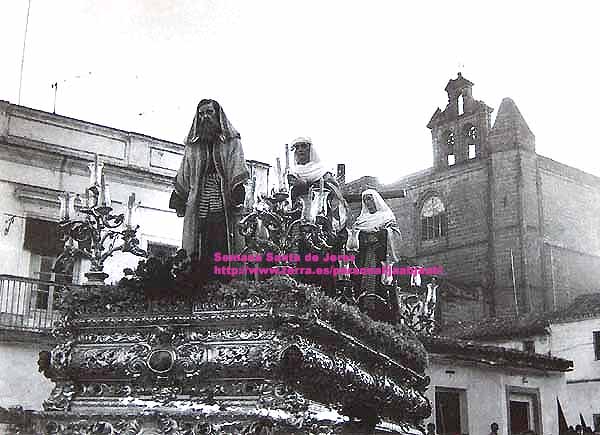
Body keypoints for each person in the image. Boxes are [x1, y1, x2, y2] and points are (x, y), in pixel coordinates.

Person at [169, 99, 249, 286]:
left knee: (222, 239)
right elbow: (185, 171)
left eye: (209, 112)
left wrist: (237, 188)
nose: (205, 117)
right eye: (201, 113)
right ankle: (200, 282)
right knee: (200, 240)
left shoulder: (232, 142)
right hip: (199, 198)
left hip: (223, 199)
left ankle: (225, 285)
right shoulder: (193, 146)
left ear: (217, 115)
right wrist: (179, 195)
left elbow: (237, 165)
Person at [286, 136, 349, 294]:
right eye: (297, 147)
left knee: (322, 266)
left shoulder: (322, 172)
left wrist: (306, 185)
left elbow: (334, 196)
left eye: (304, 147)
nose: (300, 150)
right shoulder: (292, 173)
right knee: (299, 266)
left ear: (310, 150)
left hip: (320, 228)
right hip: (297, 228)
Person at [349, 189, 404, 321]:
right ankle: (363, 308)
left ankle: (383, 312)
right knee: (362, 283)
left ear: (376, 200)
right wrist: (362, 237)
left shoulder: (386, 216)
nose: (368, 202)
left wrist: (380, 236)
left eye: (370, 199)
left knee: (381, 284)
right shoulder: (361, 220)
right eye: (366, 200)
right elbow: (354, 237)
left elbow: (394, 234)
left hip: (381, 257)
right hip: (365, 256)